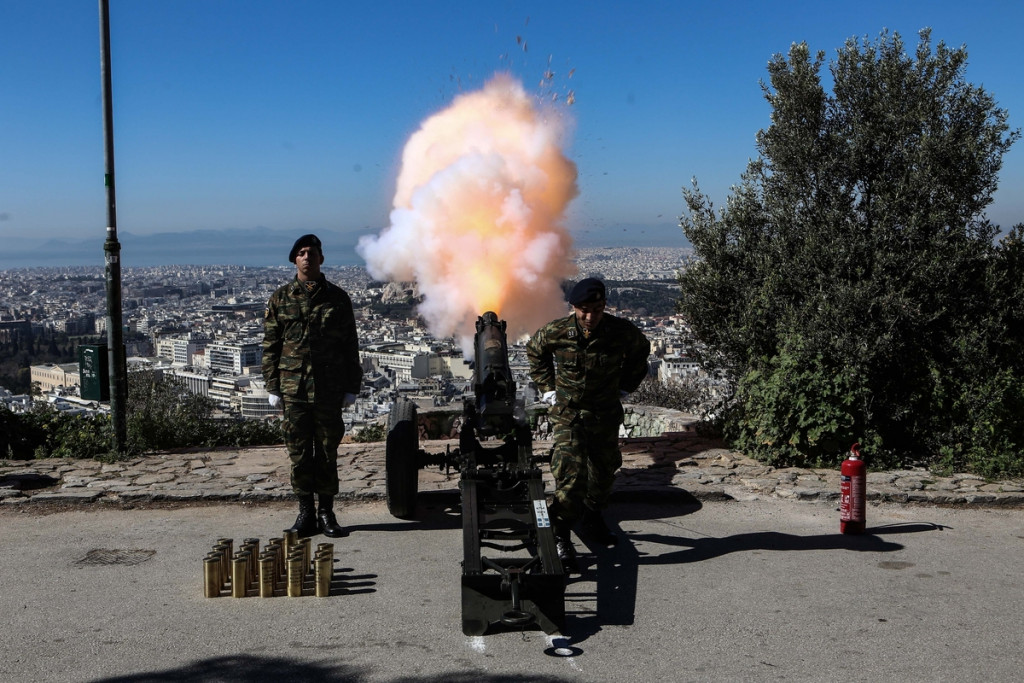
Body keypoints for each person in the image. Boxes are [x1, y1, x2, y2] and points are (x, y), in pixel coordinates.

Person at [526, 277, 650, 571]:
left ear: (604, 306)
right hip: (569, 413)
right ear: (574, 307)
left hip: (604, 413)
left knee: (605, 469)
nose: (590, 316)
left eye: (596, 309)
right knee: (571, 473)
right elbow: (535, 351)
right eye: (584, 309)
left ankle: (593, 517)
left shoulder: (620, 332)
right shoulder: (558, 331)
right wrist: (548, 388)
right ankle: (560, 532)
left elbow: (641, 353)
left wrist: (625, 387)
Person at [262, 234, 363, 538]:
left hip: (328, 388)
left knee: (327, 451)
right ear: (294, 259)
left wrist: (351, 386)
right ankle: (305, 513)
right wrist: (272, 386)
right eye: (302, 253)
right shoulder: (280, 298)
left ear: (321, 259)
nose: (307, 257)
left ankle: (327, 513)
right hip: (293, 390)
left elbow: (350, 346)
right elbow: (271, 346)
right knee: (299, 452)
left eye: (313, 253)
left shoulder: (337, 298)